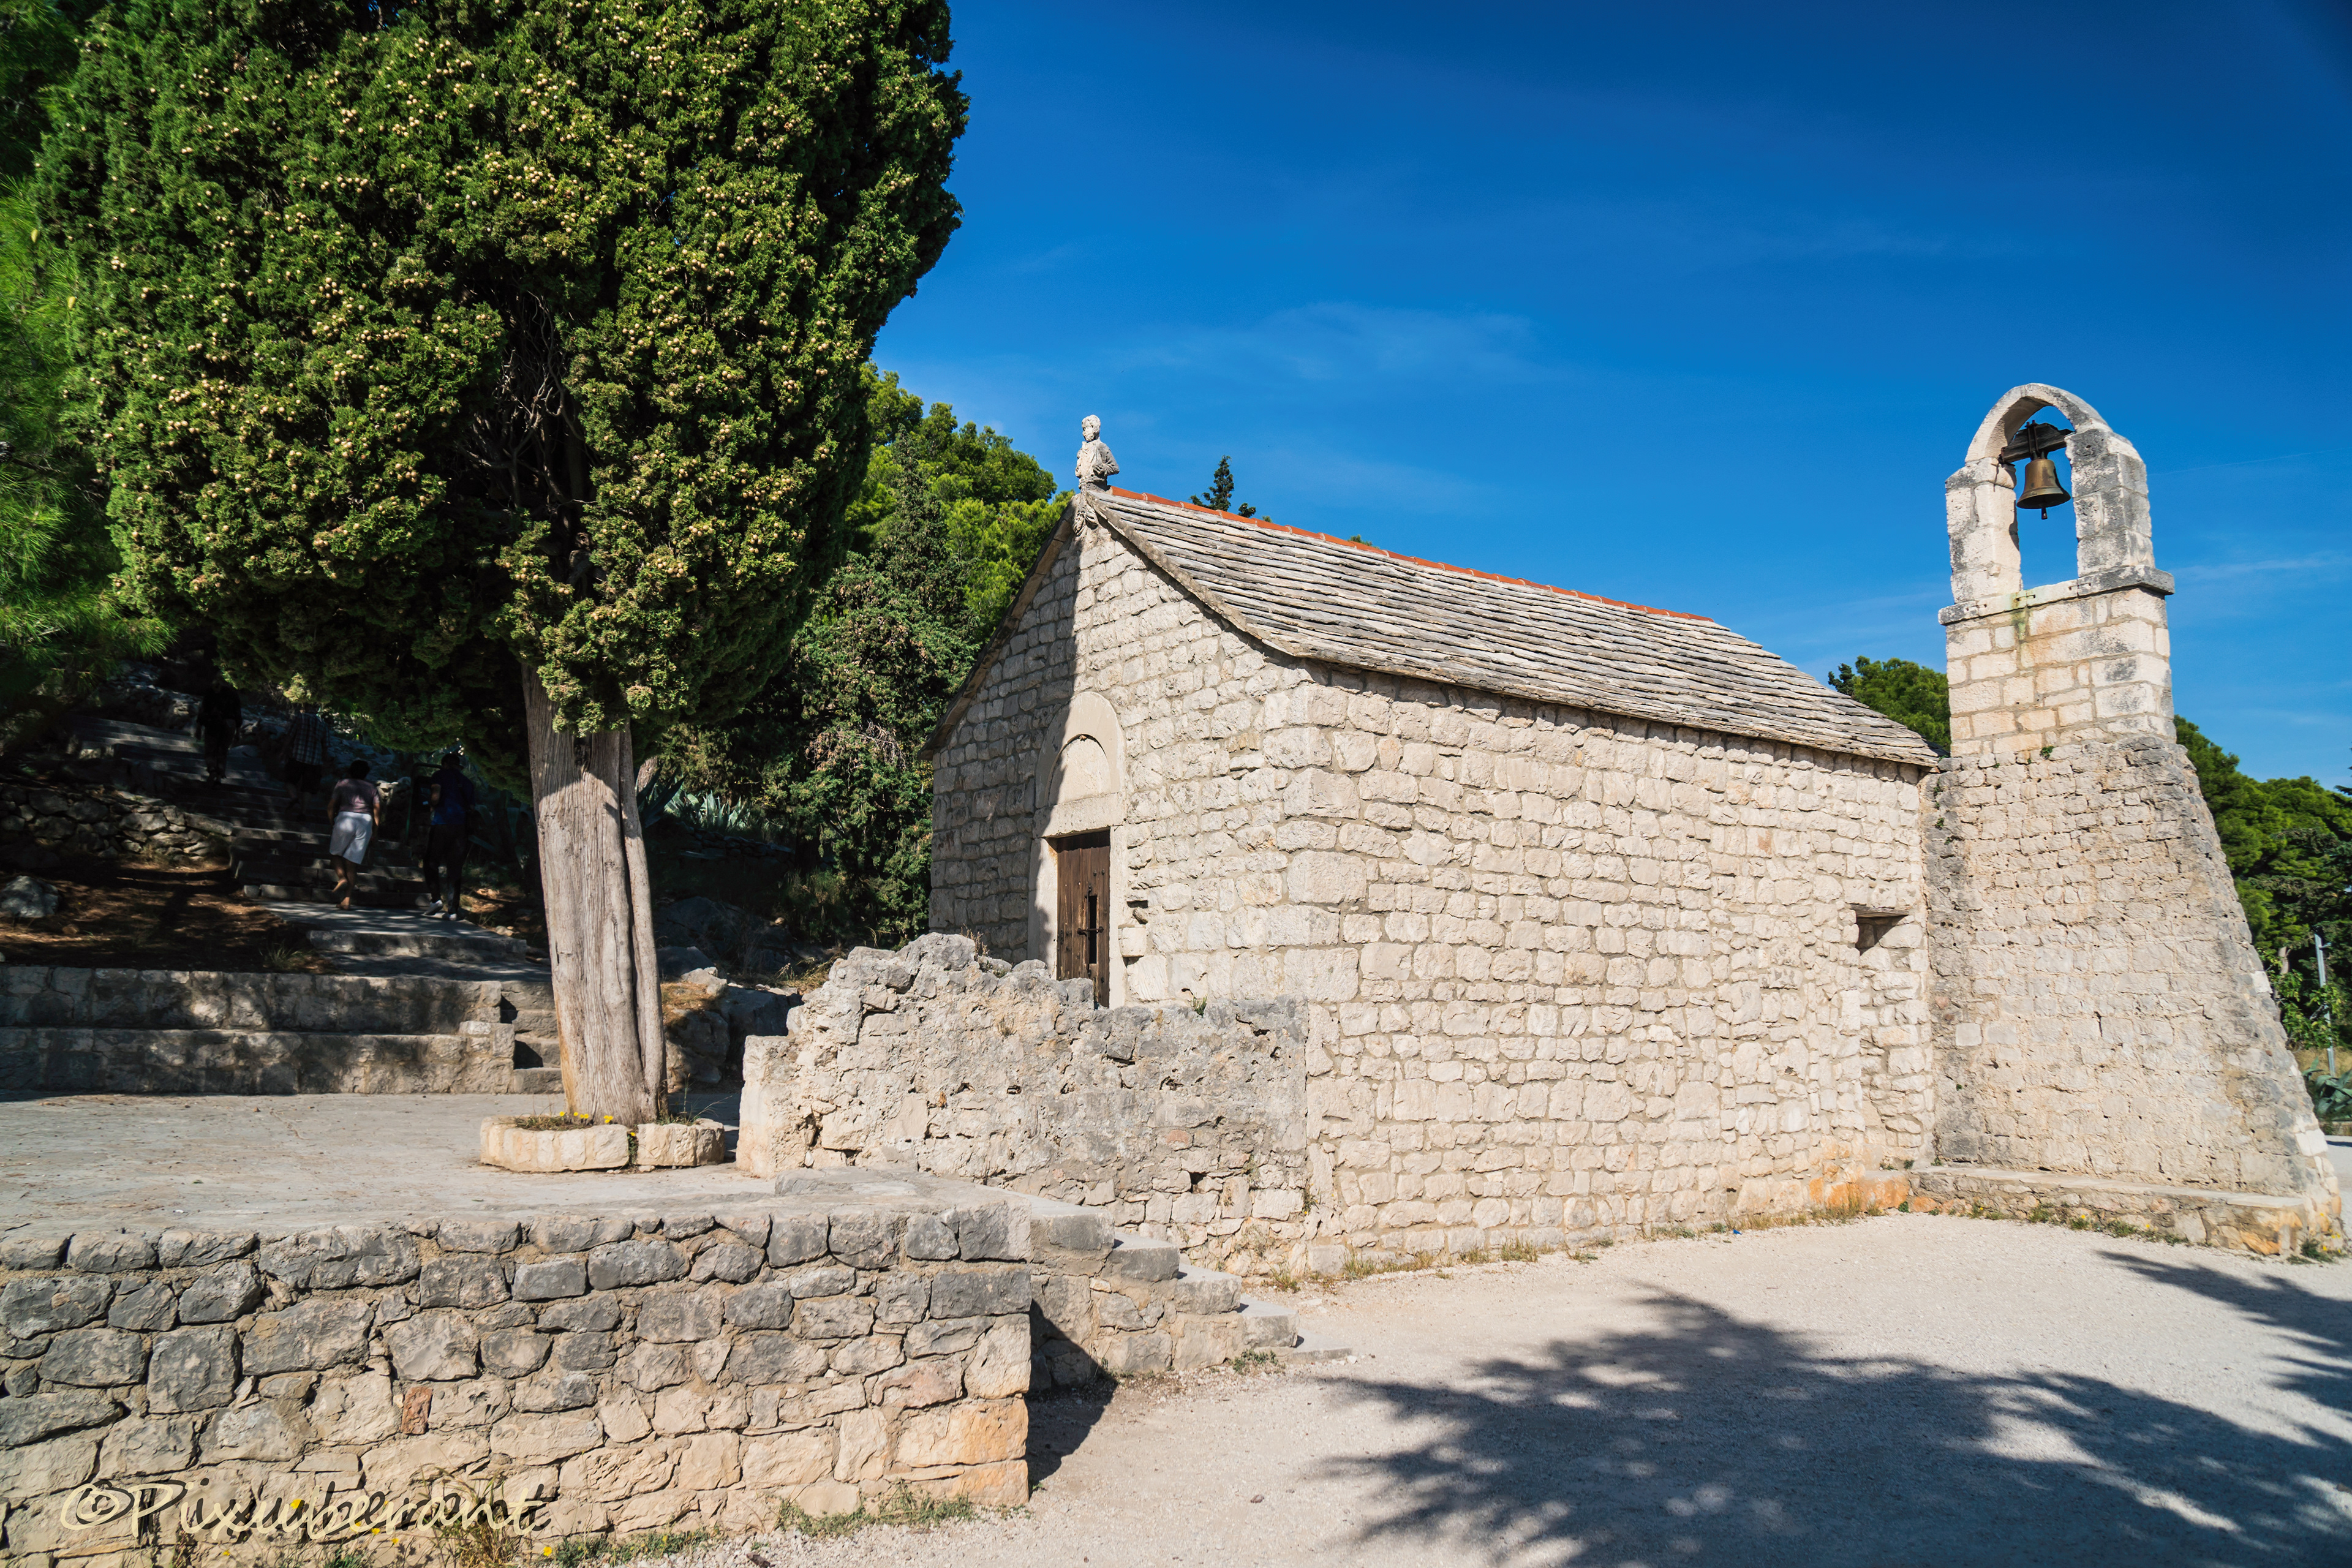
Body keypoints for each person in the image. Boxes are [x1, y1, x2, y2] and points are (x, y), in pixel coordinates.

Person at [424, 752, 475, 921]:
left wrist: (431, 805)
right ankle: (453, 910)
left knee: (431, 862)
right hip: (461, 827)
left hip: (442, 823)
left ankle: (436, 899)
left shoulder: (439, 775)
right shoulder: (467, 782)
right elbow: (472, 807)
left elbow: (435, 796)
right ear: (459, 766)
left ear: (444, 764)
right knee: (455, 867)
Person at [325, 758, 382, 910]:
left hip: (346, 819)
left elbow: (331, 806)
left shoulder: (343, 783)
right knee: (352, 864)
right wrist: (375, 831)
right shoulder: (372, 788)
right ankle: (347, 901)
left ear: (350, 771)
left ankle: (342, 878)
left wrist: (332, 823)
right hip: (365, 822)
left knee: (335, 854)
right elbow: (377, 811)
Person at [194, 676, 240, 785]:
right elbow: (238, 714)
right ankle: (219, 777)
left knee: (210, 750)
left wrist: (199, 727)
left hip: (213, 722)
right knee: (223, 752)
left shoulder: (211, 692)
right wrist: (238, 732)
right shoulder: (233, 694)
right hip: (230, 724)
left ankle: (212, 770)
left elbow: (203, 710)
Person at [283, 701, 329, 809]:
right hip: (314, 761)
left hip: (297, 756)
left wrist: (283, 751)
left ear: (307, 707)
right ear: (317, 709)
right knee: (308, 789)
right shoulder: (323, 724)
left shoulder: (300, 718)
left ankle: (294, 798)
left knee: (290, 781)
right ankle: (303, 812)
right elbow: (326, 745)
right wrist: (325, 761)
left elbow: (290, 735)